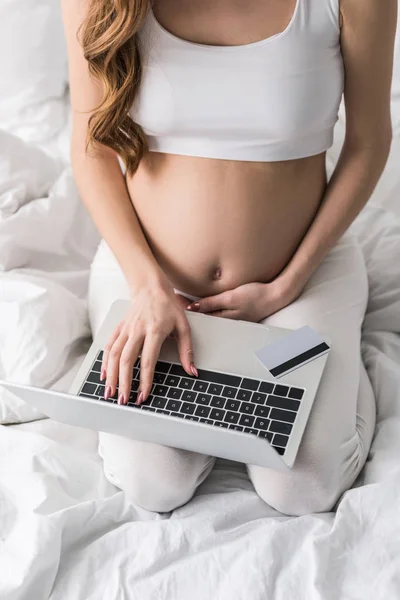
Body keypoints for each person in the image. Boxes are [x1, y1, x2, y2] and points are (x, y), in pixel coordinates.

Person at [60, 0, 396, 515]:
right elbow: (92, 150)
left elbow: (369, 142)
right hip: (149, 281)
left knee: (302, 487)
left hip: (298, 281)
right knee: (155, 483)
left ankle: (348, 379)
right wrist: (148, 288)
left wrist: (287, 285)